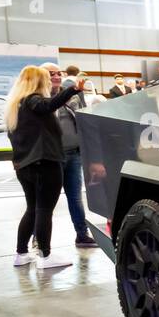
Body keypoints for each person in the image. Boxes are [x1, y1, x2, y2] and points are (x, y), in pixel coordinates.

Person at [4, 66, 80, 270]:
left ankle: (21, 253)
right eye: (46, 78)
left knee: (32, 209)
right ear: (38, 82)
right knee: (45, 209)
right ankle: (45, 256)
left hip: (24, 166)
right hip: (44, 163)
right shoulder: (34, 100)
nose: (50, 81)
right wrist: (72, 89)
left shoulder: (16, 106)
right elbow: (49, 105)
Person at [41, 63, 98, 249]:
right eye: (51, 74)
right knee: (46, 201)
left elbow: (83, 117)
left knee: (75, 197)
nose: (56, 76)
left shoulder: (72, 92)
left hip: (74, 154)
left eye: (59, 73)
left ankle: (82, 235)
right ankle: (38, 240)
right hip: (51, 157)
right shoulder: (37, 98)